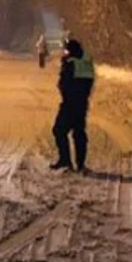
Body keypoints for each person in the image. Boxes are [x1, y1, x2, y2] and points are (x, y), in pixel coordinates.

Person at [50, 38, 95, 172]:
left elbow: (64, 84)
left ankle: (65, 160)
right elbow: (89, 83)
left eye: (66, 50)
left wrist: (64, 91)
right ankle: (80, 164)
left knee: (59, 130)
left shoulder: (70, 64)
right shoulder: (86, 63)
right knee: (79, 132)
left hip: (69, 103)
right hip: (82, 103)